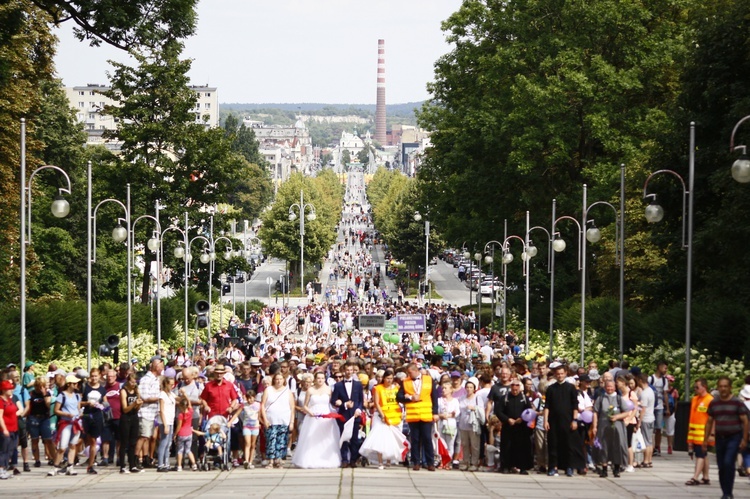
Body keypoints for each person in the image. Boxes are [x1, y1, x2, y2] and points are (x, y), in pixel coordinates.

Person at [703, 376, 749, 499]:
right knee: (721, 466)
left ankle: (728, 493)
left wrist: (744, 439)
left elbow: (745, 421)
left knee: (729, 463)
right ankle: (725, 492)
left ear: (730, 388)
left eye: (725, 386)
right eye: (721, 386)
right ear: (718, 388)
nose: (723, 389)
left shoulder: (737, 402)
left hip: (734, 437)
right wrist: (705, 439)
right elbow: (709, 421)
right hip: (720, 437)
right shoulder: (714, 402)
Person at [293, 371, 341, 468]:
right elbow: (305, 406)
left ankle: (327, 459)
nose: (320, 380)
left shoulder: (329, 390)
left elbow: (332, 404)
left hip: (326, 416)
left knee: (326, 437)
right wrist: (311, 413)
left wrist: (337, 404)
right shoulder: (310, 390)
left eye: (322, 378)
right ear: (315, 379)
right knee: (312, 438)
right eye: (318, 378)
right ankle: (310, 459)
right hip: (313, 416)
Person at [360, 369, 406, 469]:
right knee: (380, 439)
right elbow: (376, 403)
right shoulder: (378, 388)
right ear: (384, 378)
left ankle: (389, 460)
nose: (389, 380)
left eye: (391, 378)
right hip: (381, 416)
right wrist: (382, 415)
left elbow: (399, 401)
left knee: (391, 439)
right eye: (387, 378)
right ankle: (380, 462)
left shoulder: (396, 388)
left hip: (393, 415)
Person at [397, 362, 439, 471]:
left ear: (416, 371)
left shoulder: (429, 380)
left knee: (427, 438)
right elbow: (399, 397)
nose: (409, 375)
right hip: (413, 414)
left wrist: (435, 412)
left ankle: (430, 462)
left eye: (410, 373)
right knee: (415, 439)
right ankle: (416, 462)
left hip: (426, 414)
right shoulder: (405, 382)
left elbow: (434, 397)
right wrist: (410, 398)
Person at [543, 362, 579, 477]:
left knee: (568, 445)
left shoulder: (571, 388)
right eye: (558, 374)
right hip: (553, 421)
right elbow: (547, 406)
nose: (560, 376)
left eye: (562, 374)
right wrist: (545, 420)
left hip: (568, 421)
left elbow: (575, 405)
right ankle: (553, 467)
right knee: (553, 444)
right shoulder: (550, 389)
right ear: (555, 374)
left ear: (566, 374)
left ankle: (569, 467)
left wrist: (574, 420)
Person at [592, 379, 630, 478]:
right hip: (603, 426)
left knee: (617, 446)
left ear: (615, 387)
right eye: (608, 387)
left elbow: (626, 412)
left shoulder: (619, 398)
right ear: (605, 387)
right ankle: (604, 469)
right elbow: (595, 412)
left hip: (617, 427)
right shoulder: (600, 398)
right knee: (603, 446)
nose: (609, 389)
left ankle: (616, 469)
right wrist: (594, 426)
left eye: (611, 387)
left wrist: (617, 417)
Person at [330, 361, 364, 468]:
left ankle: (353, 459)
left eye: (351, 370)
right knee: (343, 438)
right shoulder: (338, 385)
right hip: (343, 415)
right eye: (347, 370)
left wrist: (358, 409)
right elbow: (333, 400)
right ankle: (344, 459)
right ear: (343, 371)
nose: (349, 372)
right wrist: (344, 404)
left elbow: (360, 400)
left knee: (354, 438)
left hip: (355, 415)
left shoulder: (358, 384)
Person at [48, 374, 83, 476]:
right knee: (62, 447)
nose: (77, 385)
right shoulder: (61, 395)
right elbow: (56, 410)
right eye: (75, 383)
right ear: (69, 384)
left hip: (75, 423)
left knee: (73, 445)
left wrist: (80, 413)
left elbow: (78, 408)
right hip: (66, 423)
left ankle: (70, 466)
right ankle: (55, 467)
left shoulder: (77, 396)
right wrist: (66, 414)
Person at [260, 373, 295, 468]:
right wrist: (265, 419)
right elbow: (262, 404)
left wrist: (291, 422)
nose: (279, 381)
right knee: (271, 440)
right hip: (271, 420)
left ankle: (278, 460)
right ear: (274, 380)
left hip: (284, 420)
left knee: (282, 441)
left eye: (281, 379)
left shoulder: (287, 391)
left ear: (284, 380)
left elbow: (292, 407)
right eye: (277, 379)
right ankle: (270, 461)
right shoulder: (268, 390)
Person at [685, 378, 712, 486]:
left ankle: (695, 477)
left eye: (697, 387)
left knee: (700, 455)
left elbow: (712, 419)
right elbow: (692, 418)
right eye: (694, 387)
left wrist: (711, 434)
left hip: (703, 434)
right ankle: (705, 477)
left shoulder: (710, 400)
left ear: (704, 387)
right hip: (694, 434)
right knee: (703, 455)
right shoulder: (695, 399)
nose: (695, 389)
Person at [81, 368, 106, 475]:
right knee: (83, 440)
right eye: (92, 376)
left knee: (93, 441)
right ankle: (72, 461)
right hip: (86, 416)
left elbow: (106, 404)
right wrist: (87, 403)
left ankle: (90, 465)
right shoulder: (85, 388)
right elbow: (79, 402)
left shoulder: (102, 389)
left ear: (99, 376)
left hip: (97, 417)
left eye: (96, 376)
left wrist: (102, 406)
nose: (94, 378)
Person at [27, 376, 54, 469]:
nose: (42, 387)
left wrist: (44, 394)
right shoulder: (31, 394)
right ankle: (37, 460)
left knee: (48, 440)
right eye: (40, 386)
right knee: (34, 440)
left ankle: (52, 458)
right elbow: (28, 406)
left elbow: (49, 406)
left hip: (45, 418)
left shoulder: (48, 393)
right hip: (34, 417)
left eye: (43, 385)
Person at [457, 377, 483, 471]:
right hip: (463, 424)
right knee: (465, 444)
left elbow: (481, 410)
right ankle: (465, 461)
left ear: (474, 388)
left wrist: (474, 408)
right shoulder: (461, 398)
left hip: (473, 425)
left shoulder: (477, 398)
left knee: (474, 445)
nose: (469, 389)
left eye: (471, 387)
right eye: (467, 387)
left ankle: (474, 462)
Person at [649, 360, 669, 456]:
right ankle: (650, 446)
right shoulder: (651, 379)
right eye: (665, 368)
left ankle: (657, 447)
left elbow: (665, 394)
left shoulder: (664, 380)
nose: (666, 370)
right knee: (651, 427)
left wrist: (667, 408)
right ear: (659, 367)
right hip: (651, 407)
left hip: (660, 407)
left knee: (659, 428)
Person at [437, 384, 459, 469]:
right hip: (441, 423)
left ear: (450, 390)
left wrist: (450, 415)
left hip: (451, 424)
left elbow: (457, 412)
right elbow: (437, 411)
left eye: (445, 388)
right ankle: (441, 461)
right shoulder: (439, 400)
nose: (443, 390)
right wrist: (441, 415)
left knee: (450, 444)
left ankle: (448, 462)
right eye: (442, 388)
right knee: (441, 443)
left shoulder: (455, 401)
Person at [156, 376, 176, 472]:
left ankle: (166, 463)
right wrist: (165, 425)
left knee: (169, 443)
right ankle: (160, 464)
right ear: (166, 384)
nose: (172, 386)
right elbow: (161, 411)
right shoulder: (162, 395)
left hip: (171, 420)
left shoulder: (171, 394)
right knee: (163, 443)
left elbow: (179, 399)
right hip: (165, 421)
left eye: (173, 384)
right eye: (171, 384)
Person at [636, 373, 656, 469]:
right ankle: (650, 460)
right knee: (650, 440)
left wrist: (639, 421)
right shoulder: (651, 391)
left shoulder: (644, 394)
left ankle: (646, 460)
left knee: (646, 441)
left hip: (646, 419)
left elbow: (643, 409)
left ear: (640, 380)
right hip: (651, 417)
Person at [0, 379, 18, 480]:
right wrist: (4, 429)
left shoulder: (9, 400)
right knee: (3, 450)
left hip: (14, 429)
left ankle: (5, 468)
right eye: (9, 389)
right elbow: (0, 416)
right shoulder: (1, 401)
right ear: (3, 390)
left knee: (10, 450)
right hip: (5, 430)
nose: (11, 390)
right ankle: (1, 469)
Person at [237, 390, 260, 469]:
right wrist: (230, 422)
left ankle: (250, 461)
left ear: (254, 397)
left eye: (251, 398)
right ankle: (246, 461)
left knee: (253, 445)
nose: (250, 400)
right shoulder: (244, 405)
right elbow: (237, 413)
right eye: (248, 398)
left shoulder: (258, 405)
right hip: (246, 426)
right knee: (247, 443)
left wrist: (263, 423)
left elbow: (260, 416)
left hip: (255, 426)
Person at [174, 397, 197, 472]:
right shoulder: (190, 411)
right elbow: (189, 403)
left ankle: (179, 466)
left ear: (180, 406)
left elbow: (179, 426)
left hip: (182, 433)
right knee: (188, 450)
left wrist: (175, 434)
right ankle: (194, 464)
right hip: (189, 433)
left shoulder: (181, 415)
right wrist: (185, 395)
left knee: (180, 450)